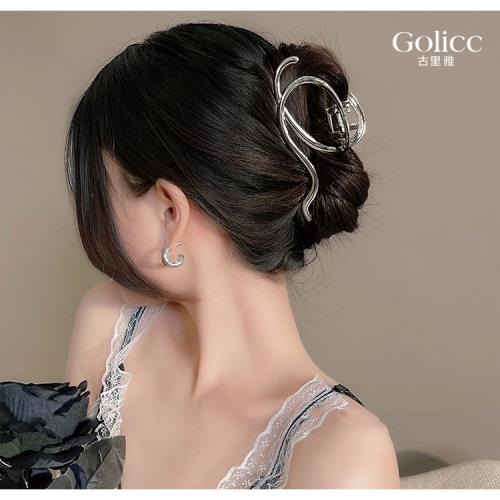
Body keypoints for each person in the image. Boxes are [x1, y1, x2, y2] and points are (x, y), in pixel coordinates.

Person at [63, 21, 400, 489]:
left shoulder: (345, 455)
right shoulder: (108, 327)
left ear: (170, 211)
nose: (94, 218)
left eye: (101, 194)